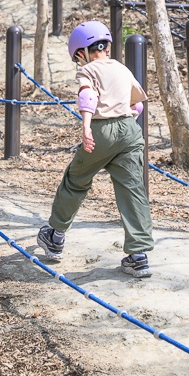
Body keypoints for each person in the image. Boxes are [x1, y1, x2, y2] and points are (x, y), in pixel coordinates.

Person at [37, 21, 153, 278]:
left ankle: (55, 236)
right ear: (108, 46)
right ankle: (138, 256)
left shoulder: (88, 70)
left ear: (81, 53)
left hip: (101, 131)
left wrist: (87, 128)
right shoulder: (122, 69)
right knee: (133, 189)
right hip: (130, 132)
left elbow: (87, 97)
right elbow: (138, 105)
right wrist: (126, 123)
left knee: (76, 180)